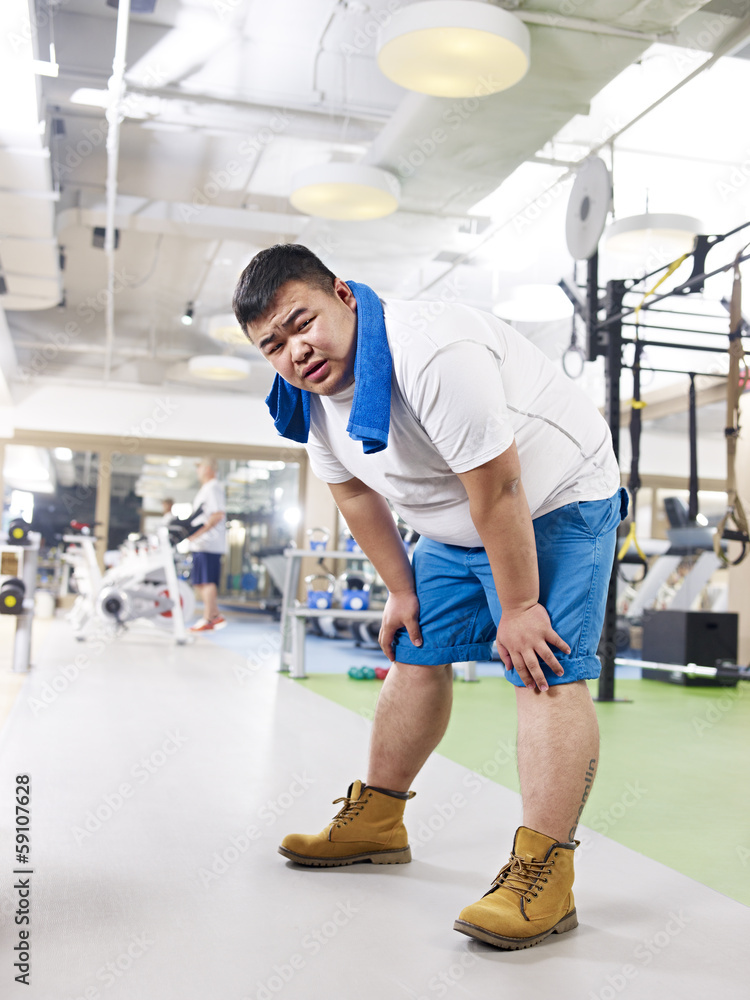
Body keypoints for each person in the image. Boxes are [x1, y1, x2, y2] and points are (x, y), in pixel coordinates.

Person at [232, 244, 625, 951]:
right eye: (274, 344)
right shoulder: (307, 396)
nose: (297, 351)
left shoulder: (431, 351)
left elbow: (501, 488)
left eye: (303, 322)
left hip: (555, 494)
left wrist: (519, 607)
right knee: (414, 650)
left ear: (345, 296)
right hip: (455, 515)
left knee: (544, 667)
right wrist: (400, 589)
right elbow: (352, 491)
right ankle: (379, 820)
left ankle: (545, 874)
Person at [187, 458, 227, 632]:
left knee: (207, 581)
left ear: (209, 469)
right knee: (199, 583)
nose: (198, 471)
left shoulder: (213, 487)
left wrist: (198, 533)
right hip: (201, 544)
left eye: (200, 467)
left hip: (209, 543)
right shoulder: (206, 489)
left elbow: (217, 514)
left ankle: (208, 619)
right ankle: (215, 615)